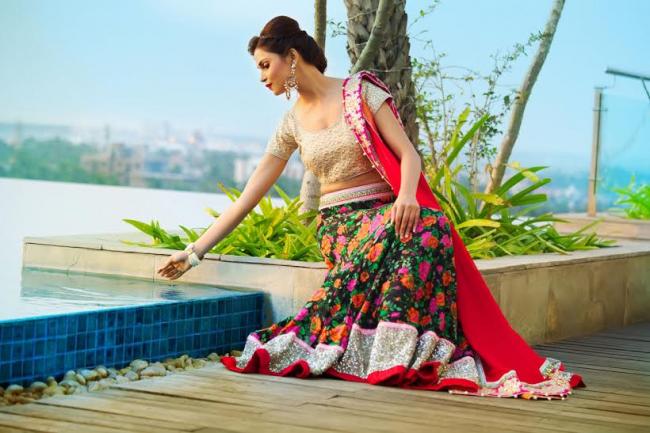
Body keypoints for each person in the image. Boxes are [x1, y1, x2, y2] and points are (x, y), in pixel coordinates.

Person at [157, 16, 584, 400]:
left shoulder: (359, 93)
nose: (262, 76)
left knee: (431, 225)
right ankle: (386, 350)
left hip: (389, 213)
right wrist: (194, 253)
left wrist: (406, 196)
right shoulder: (290, 123)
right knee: (419, 227)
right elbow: (249, 196)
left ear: (291, 57)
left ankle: (404, 351)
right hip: (341, 228)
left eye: (265, 65)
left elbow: (409, 155)